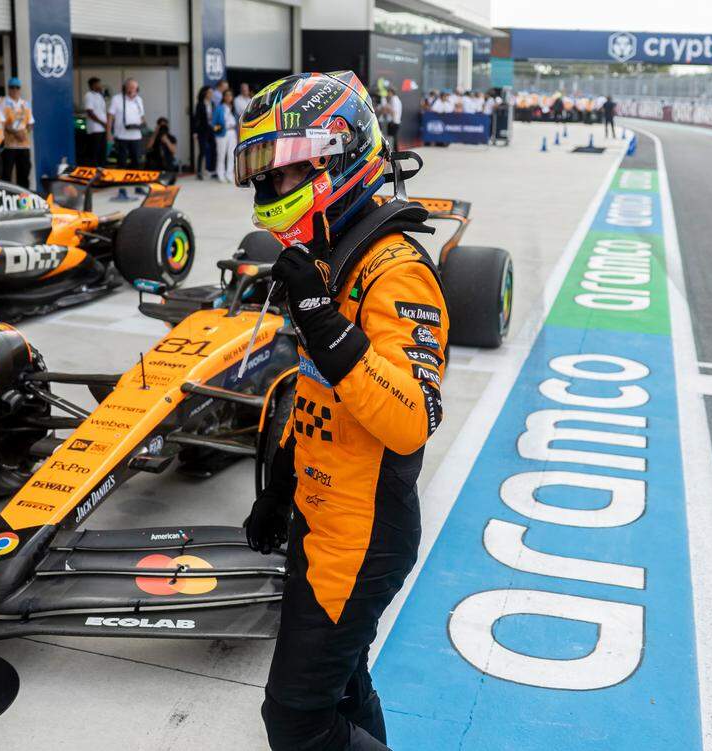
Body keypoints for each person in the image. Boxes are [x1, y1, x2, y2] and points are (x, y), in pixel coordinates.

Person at [235, 71, 447, 750]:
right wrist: (282, 488)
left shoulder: (396, 269)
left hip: (365, 531)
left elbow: (413, 418)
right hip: (323, 514)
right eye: (260, 174)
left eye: (279, 171)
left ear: (333, 157)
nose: (266, 190)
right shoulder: (328, 250)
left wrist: (326, 324)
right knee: (345, 689)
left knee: (295, 720)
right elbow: (320, 396)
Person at [107, 78, 145, 200]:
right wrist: (109, 133)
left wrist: (142, 124)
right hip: (122, 136)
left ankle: (138, 186)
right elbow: (110, 117)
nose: (132, 90)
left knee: (137, 162)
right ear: (124, 88)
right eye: (129, 87)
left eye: (134, 88)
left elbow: (142, 116)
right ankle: (121, 189)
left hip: (136, 135)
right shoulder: (117, 99)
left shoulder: (139, 100)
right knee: (122, 163)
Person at [0, 77, 33, 188]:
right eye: (12, 87)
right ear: (8, 89)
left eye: (17, 87)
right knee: (6, 173)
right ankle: (6, 196)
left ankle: (24, 197)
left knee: (24, 173)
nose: (14, 90)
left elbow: (31, 122)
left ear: (20, 89)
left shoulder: (25, 104)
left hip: (24, 145)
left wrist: (26, 132)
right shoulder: (3, 102)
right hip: (9, 146)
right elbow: (1, 122)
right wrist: (15, 133)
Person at [211, 88, 238, 182]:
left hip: (232, 132)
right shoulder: (219, 108)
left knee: (231, 155)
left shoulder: (233, 108)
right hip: (222, 133)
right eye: (226, 95)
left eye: (230, 95)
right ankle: (220, 174)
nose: (228, 97)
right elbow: (213, 123)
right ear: (223, 97)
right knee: (221, 154)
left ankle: (229, 174)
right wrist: (219, 128)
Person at [193, 86, 217, 181]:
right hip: (202, 130)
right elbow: (196, 119)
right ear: (205, 93)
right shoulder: (200, 104)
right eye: (210, 92)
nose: (211, 94)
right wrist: (195, 132)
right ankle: (199, 171)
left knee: (213, 148)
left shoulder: (212, 103)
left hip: (211, 129)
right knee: (202, 150)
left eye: (212, 92)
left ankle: (212, 170)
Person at [84, 77, 108, 166]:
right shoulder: (89, 95)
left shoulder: (100, 95)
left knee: (103, 151)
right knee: (95, 151)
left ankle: (102, 168)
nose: (100, 86)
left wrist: (106, 123)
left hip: (103, 128)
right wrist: (102, 123)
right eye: (99, 84)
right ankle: (94, 169)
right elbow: (90, 112)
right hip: (95, 128)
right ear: (93, 85)